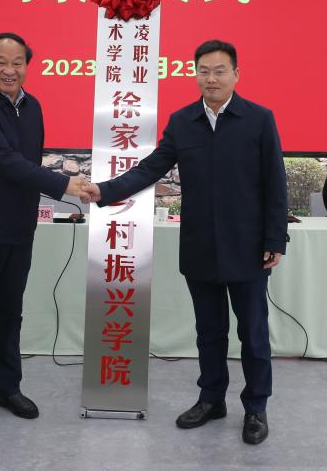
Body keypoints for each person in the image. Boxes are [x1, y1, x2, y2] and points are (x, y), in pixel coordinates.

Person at [84, 40, 287, 446]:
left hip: (247, 247)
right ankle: (211, 399)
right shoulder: (182, 122)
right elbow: (150, 169)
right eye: (203, 71)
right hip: (200, 245)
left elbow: (274, 183)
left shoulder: (259, 119)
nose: (211, 78)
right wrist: (104, 190)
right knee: (209, 332)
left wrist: (274, 238)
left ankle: (255, 407)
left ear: (236, 74)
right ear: (195, 75)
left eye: (219, 71)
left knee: (253, 334)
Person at [0, 32, 90, 439]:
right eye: (1, 62)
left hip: (17, 231)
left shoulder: (33, 106)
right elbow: (4, 161)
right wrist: (64, 184)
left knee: (9, 316)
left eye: (18, 63)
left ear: (27, 65)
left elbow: (28, 163)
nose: (9, 70)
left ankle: (7, 389)